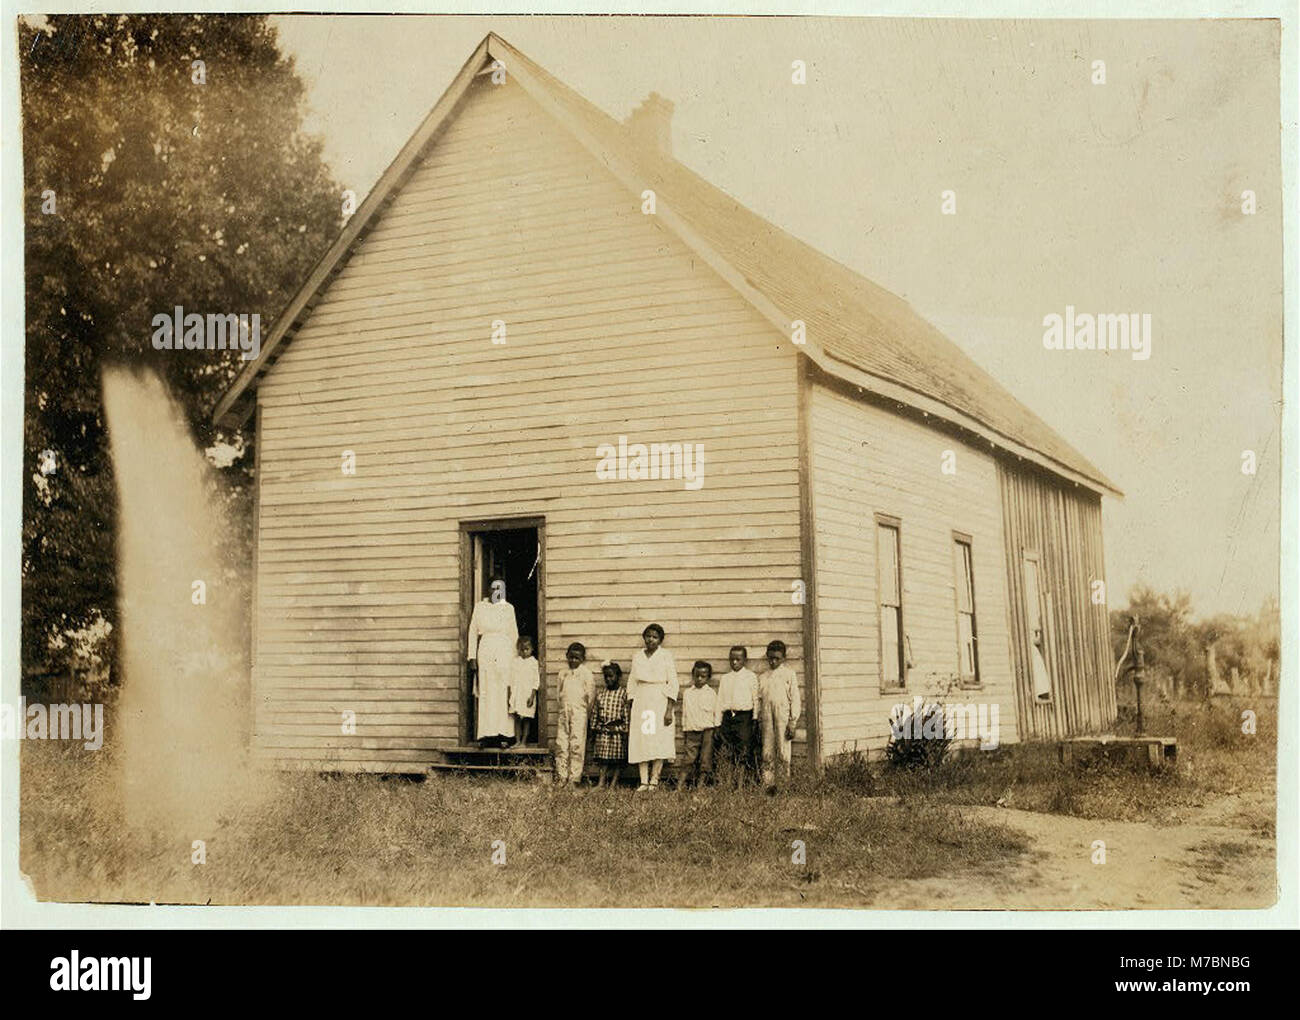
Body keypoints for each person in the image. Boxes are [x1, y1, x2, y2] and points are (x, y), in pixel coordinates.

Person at [466, 573, 518, 746]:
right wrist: (472, 657)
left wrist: (515, 660)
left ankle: (505, 735)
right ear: (488, 590)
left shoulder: (508, 608)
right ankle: (487, 735)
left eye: (501, 589)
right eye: (494, 588)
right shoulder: (480, 607)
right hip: (486, 651)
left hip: (505, 652)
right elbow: (473, 632)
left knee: (503, 691)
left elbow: (514, 634)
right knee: (487, 691)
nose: (497, 592)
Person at [626, 623, 678, 792]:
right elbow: (632, 681)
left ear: (660, 640)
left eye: (655, 637)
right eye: (648, 636)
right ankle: (643, 781)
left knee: (659, 739)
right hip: (642, 700)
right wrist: (631, 702)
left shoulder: (665, 656)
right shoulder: (638, 656)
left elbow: (673, 682)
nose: (651, 640)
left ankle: (654, 780)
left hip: (659, 700)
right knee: (643, 739)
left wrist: (669, 709)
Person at [757, 639, 801, 791]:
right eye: (771, 658)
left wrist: (792, 722)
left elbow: (795, 698)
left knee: (783, 750)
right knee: (767, 750)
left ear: (783, 658)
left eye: (777, 658)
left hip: (783, 715)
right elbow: (759, 699)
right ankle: (768, 785)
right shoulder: (763, 677)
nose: (773, 661)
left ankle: (783, 785)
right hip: (766, 716)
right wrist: (759, 720)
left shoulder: (789, 674)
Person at [554, 642, 596, 786]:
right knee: (561, 743)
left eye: (577, 658)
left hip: (579, 712)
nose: (573, 660)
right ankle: (562, 775)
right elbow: (558, 694)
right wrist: (562, 709)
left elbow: (590, 697)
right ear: (567, 656)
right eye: (571, 657)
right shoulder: (562, 673)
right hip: (564, 711)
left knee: (577, 744)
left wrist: (585, 714)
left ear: (582, 659)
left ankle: (574, 778)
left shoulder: (586, 674)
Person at [716, 645, 759, 784]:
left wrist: (755, 719)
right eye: (732, 659)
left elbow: (755, 699)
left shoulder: (750, 677)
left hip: (744, 717)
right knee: (728, 749)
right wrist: (717, 723)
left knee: (743, 751)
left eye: (738, 659)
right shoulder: (725, 678)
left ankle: (740, 785)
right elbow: (720, 701)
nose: (734, 662)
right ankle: (728, 783)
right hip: (728, 717)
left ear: (744, 660)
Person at [590, 661, 630, 788]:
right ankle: (601, 782)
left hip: (617, 731)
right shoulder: (601, 694)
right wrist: (594, 728)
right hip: (603, 730)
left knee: (618, 759)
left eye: (611, 676)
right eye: (606, 676)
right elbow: (595, 712)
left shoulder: (623, 694)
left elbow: (626, 714)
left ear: (618, 677)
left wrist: (625, 729)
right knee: (603, 759)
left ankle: (613, 783)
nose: (608, 679)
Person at [680, 660, 718, 788]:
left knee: (705, 759)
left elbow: (716, 713)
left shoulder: (711, 693)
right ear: (693, 675)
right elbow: (685, 713)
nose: (700, 679)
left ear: (708, 677)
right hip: (691, 730)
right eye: (697, 676)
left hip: (707, 731)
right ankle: (679, 786)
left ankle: (700, 787)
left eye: (703, 676)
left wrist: (715, 729)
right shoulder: (688, 693)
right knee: (688, 759)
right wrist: (685, 729)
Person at [510, 635, 540, 746]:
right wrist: (510, 695)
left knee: (526, 719)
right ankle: (517, 741)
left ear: (532, 649)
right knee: (517, 718)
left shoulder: (533, 662)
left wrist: (532, 696)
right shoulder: (515, 662)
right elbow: (511, 679)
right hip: (517, 693)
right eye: (521, 650)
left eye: (527, 649)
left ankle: (524, 741)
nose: (524, 652)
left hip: (527, 694)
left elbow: (536, 680)